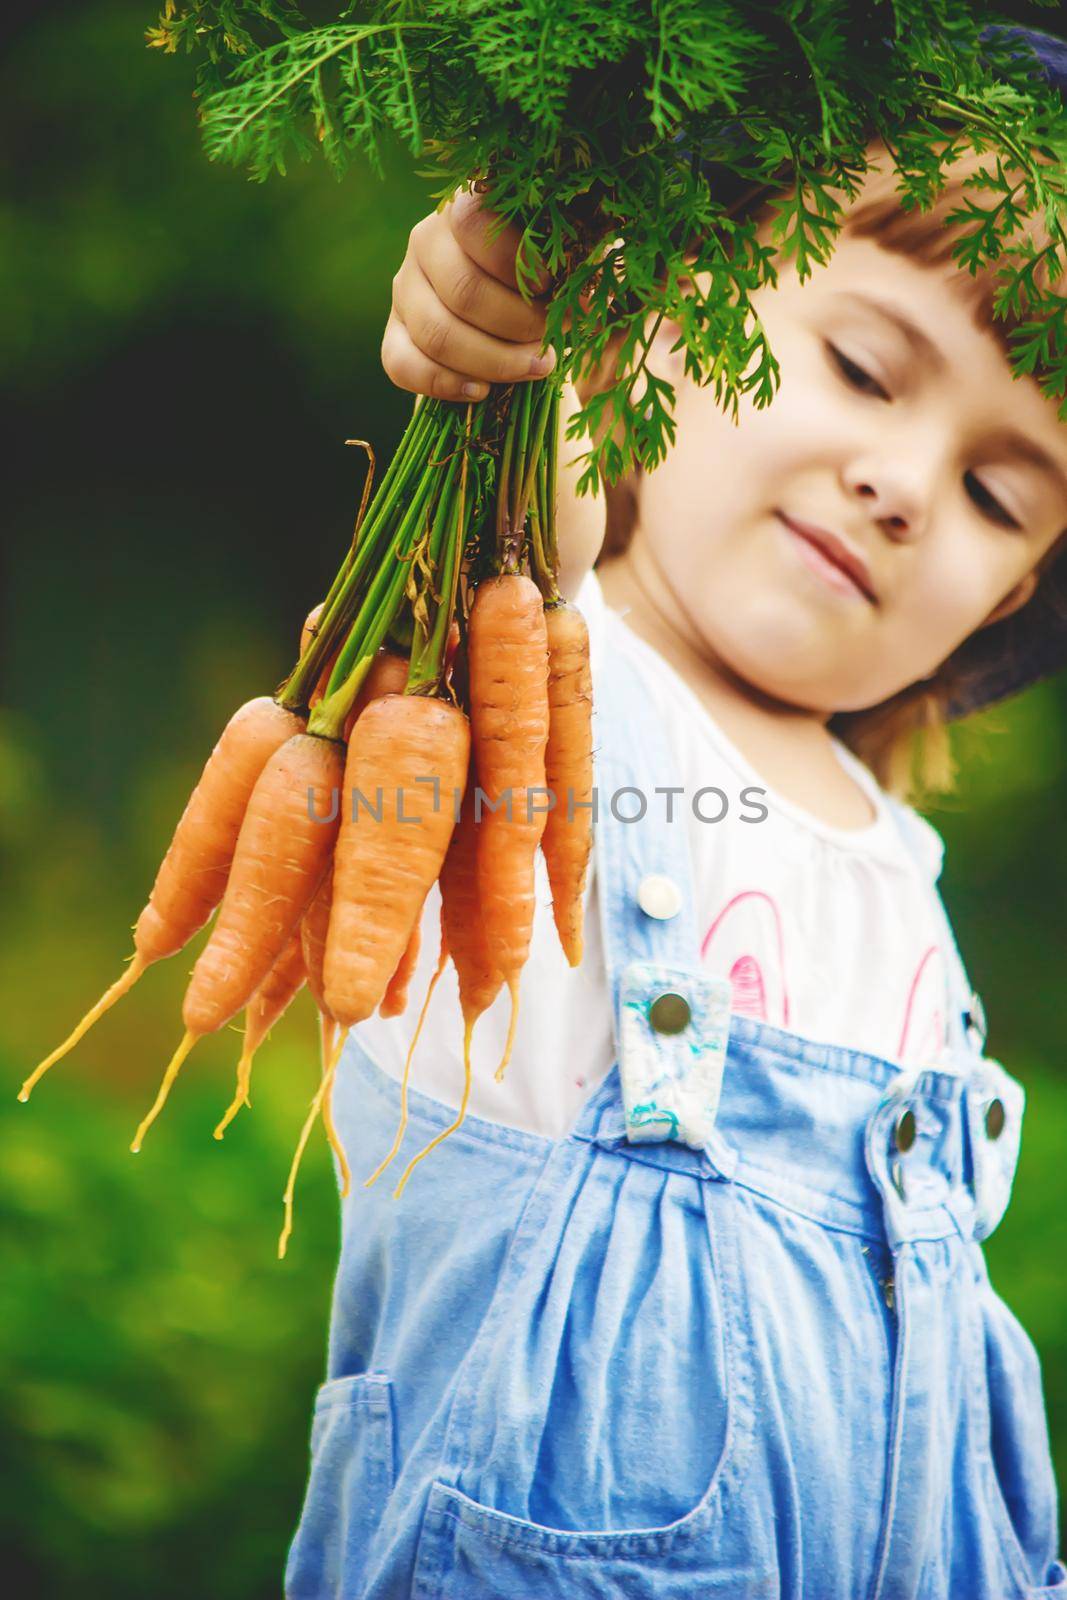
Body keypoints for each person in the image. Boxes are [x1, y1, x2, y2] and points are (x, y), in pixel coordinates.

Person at [286, 34, 1067, 1600]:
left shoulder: (892, 862)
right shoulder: (553, 666)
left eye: (1000, 495)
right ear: (657, 317)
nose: (908, 483)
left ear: (1016, 599)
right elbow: (532, 514)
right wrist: (502, 316)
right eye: (862, 368)